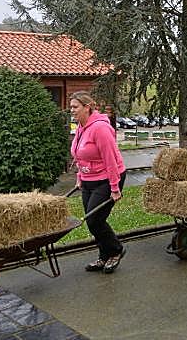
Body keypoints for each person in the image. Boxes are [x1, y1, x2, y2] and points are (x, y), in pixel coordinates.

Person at [70, 91, 127, 273]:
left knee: (95, 220)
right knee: (92, 221)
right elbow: (79, 155)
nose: (72, 110)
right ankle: (104, 256)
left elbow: (110, 159)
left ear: (87, 107)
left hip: (107, 179)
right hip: (89, 180)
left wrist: (115, 188)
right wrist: (80, 177)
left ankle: (116, 250)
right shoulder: (81, 127)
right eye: (71, 107)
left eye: (75, 107)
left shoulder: (100, 128)